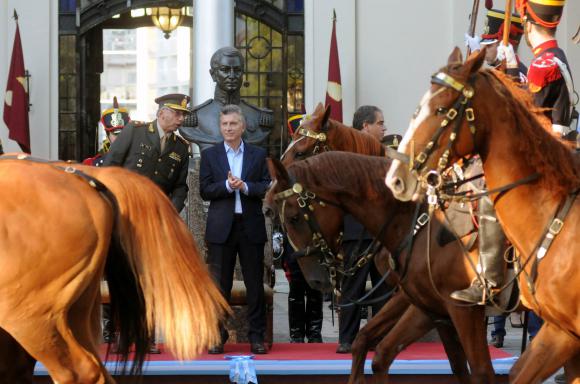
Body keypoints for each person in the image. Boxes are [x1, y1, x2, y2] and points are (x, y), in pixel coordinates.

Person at [463, 8, 529, 348]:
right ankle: (497, 326)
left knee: (492, 203)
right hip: (481, 163)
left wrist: (513, 72)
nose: (483, 50)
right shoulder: (488, 76)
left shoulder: (519, 74)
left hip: (513, 167)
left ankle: (489, 283)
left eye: (487, 44)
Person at [200, 104, 270, 355]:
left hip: (250, 226)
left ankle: (257, 338)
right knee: (220, 288)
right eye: (224, 124)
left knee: (255, 286)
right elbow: (205, 190)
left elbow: (265, 186)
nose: (228, 128)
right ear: (220, 128)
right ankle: (217, 336)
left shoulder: (258, 154)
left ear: (243, 127)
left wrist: (246, 187)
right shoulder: (210, 155)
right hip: (221, 230)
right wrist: (229, 187)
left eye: (233, 124)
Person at [336, 105, 389, 354]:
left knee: (384, 291)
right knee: (352, 289)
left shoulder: (385, 154)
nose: (384, 128)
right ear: (365, 126)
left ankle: (379, 338)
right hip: (356, 232)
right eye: (380, 123)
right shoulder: (346, 154)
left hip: (383, 234)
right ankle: (347, 340)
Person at [103, 93, 191, 212]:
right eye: (177, 113)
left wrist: (172, 212)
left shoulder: (181, 147)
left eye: (184, 114)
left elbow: (180, 187)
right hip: (125, 208)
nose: (182, 118)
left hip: (157, 214)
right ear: (161, 113)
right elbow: (110, 166)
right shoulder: (135, 131)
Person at [280, 115, 323, 344]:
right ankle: (296, 335)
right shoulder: (287, 161)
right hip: (295, 230)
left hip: (315, 229)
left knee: (315, 282)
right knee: (296, 283)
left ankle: (315, 334)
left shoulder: (318, 160)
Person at [179, 47, 273, 151]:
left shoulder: (258, 117)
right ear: (213, 74)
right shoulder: (195, 117)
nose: (232, 76)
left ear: (243, 73)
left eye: (237, 70)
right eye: (225, 70)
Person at [83, 96, 130, 167]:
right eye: (115, 134)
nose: (120, 138)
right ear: (107, 135)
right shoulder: (92, 164)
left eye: (123, 133)